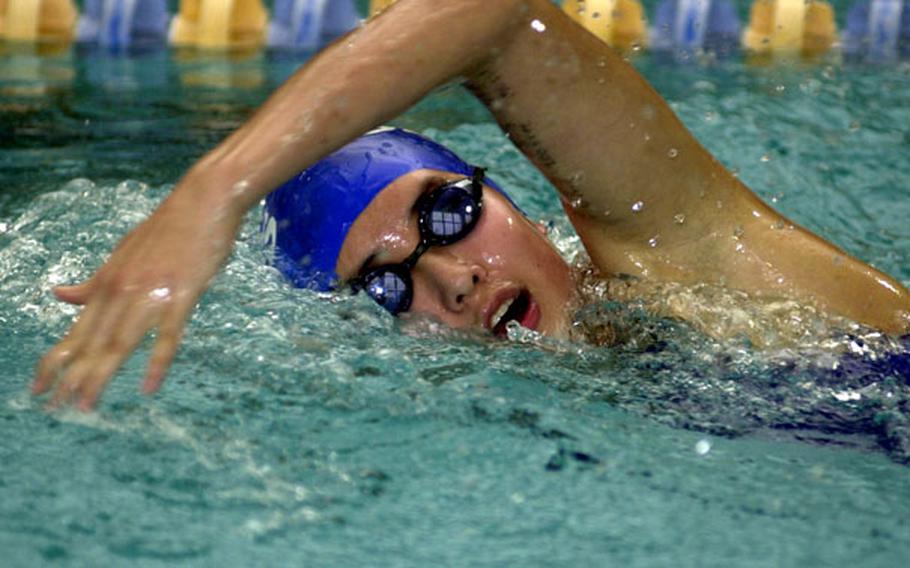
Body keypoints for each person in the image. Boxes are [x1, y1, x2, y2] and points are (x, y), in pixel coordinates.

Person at [32, 0, 910, 410]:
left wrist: (213, 190)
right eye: (385, 288)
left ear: (513, 198)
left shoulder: (687, 252)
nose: (453, 282)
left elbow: (493, 15)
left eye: (446, 214)